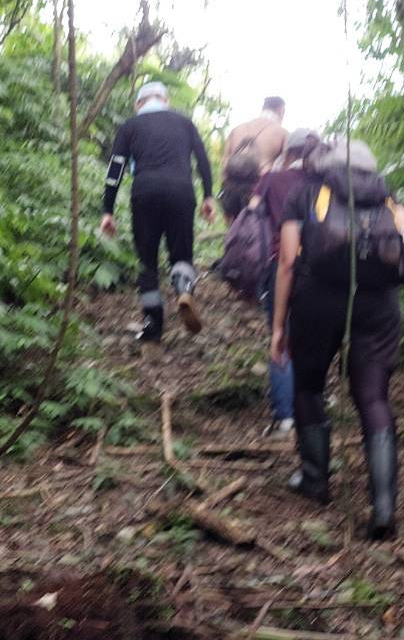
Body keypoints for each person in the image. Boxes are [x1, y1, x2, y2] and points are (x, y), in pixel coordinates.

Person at [270, 140, 404, 539]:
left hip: (316, 301)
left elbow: (288, 262)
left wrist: (277, 326)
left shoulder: (304, 192)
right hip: (378, 306)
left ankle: (315, 480)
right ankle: (384, 508)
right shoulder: (385, 192)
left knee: (308, 387)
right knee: (373, 397)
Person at [100, 81, 217, 352]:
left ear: (138, 104)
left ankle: (153, 327)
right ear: (165, 100)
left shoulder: (130, 126)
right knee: (181, 253)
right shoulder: (184, 123)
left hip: (146, 193)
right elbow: (202, 159)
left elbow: (116, 168)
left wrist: (107, 210)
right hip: (181, 192)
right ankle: (184, 289)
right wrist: (209, 196)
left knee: (147, 261)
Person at [242, 128, 322, 440]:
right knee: (313, 337)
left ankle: (285, 418)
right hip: (319, 266)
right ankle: (313, 405)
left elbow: (250, 213)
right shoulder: (323, 182)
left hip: (280, 262)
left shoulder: (272, 180)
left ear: (287, 152)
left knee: (280, 338)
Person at [220, 96, 288, 222]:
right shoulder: (282, 133)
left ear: (263, 108)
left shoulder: (236, 130)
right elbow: (285, 171)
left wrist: (224, 195)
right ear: (281, 111)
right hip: (260, 191)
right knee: (257, 236)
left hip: (232, 189)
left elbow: (224, 166)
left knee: (235, 233)